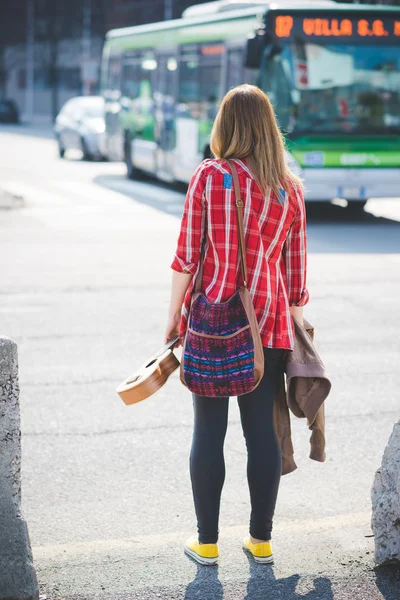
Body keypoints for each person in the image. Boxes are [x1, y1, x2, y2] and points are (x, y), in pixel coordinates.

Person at [164, 84, 309, 566]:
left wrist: (172, 321)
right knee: (261, 435)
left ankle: (207, 543)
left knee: (208, 431)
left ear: (225, 126)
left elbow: (186, 258)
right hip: (267, 322)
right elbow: (295, 277)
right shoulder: (290, 189)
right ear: (270, 129)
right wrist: (299, 330)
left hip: (211, 320)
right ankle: (260, 541)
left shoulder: (210, 176)